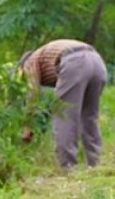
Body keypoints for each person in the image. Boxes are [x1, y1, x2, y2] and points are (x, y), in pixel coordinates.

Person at [18, 39, 107, 170]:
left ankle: (68, 168)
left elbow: (33, 92)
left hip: (74, 62)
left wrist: (27, 125)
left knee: (63, 116)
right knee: (89, 117)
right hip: (97, 60)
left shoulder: (30, 61)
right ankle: (96, 164)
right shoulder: (44, 54)